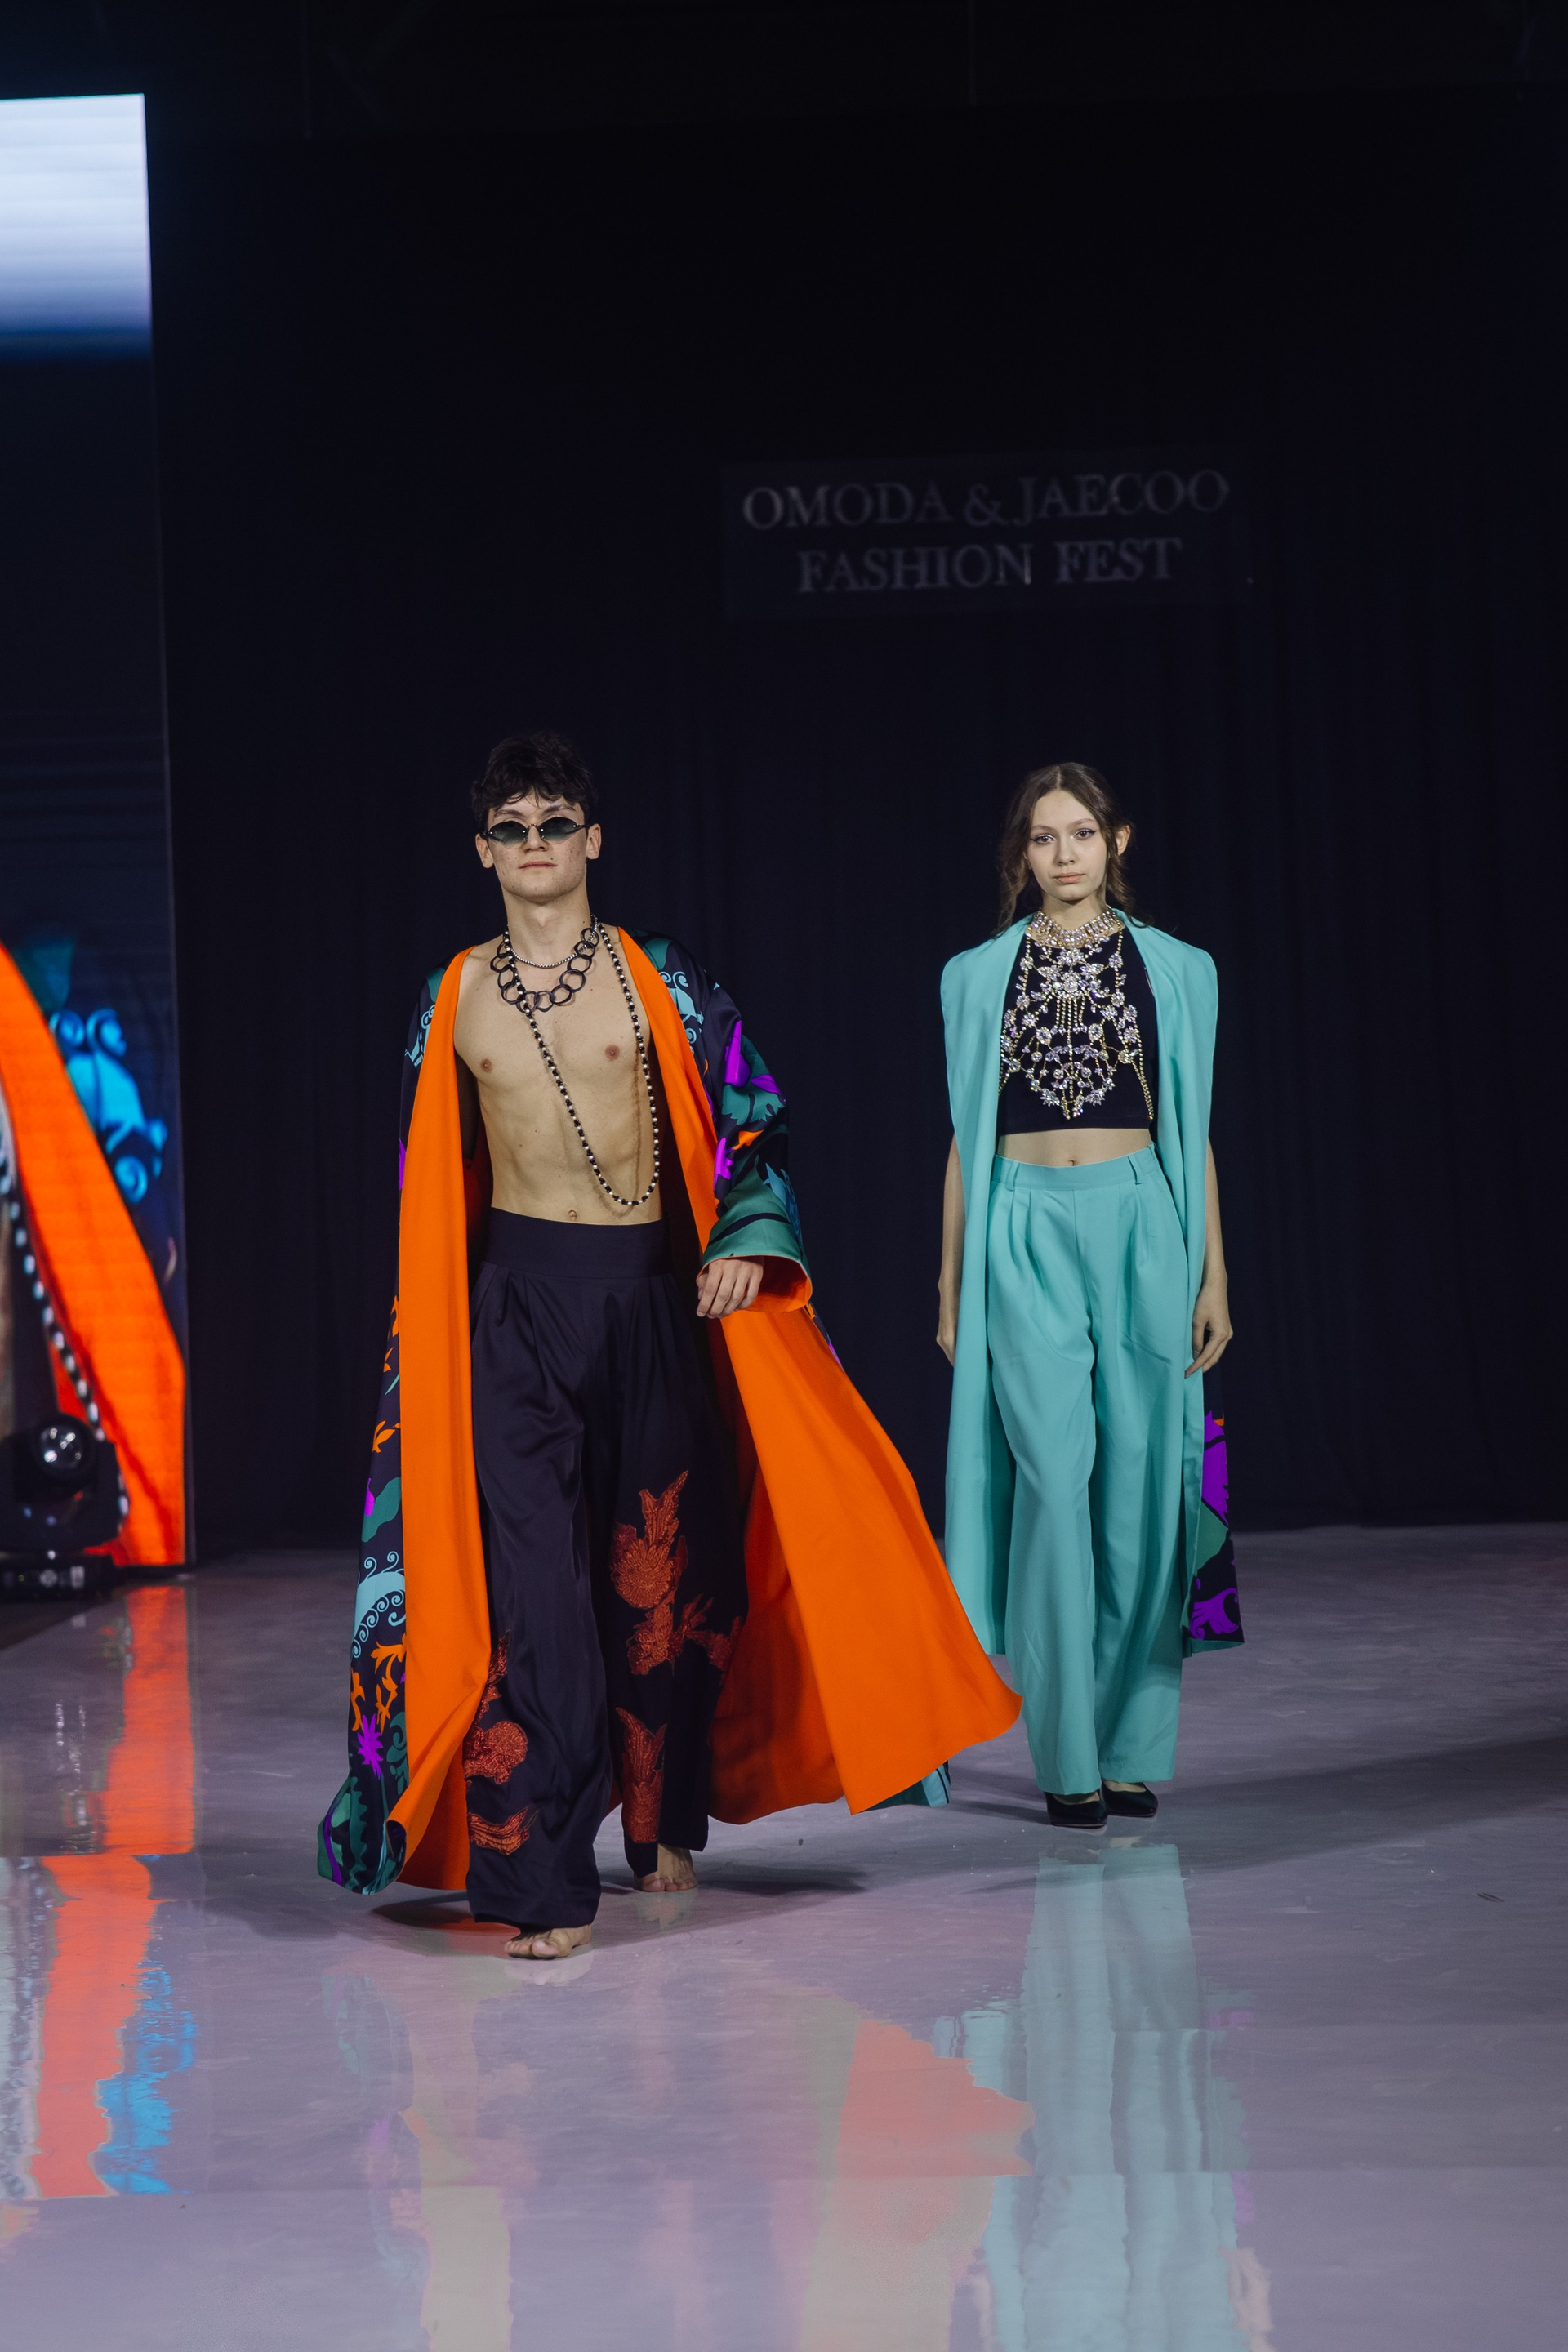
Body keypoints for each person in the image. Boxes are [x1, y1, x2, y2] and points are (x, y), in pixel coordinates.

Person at [320, 733, 1018, 1955]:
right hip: (516, 1316)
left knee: (662, 1591)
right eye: (513, 827)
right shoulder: (454, 997)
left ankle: (656, 1823)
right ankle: (542, 1882)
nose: (536, 843)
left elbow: (755, 1114)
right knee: (535, 1604)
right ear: (483, 851)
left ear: (592, 838)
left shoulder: (664, 979)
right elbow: (427, 1177)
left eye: (556, 822)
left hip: (651, 1302)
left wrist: (746, 1235)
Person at [938, 762, 1241, 1832]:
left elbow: (1193, 1128)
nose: (1062, 854)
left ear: (1119, 841)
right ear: (1020, 854)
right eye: (1042, 837)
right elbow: (964, 1138)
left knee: (1142, 1489)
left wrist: (1214, 1271)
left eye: (1080, 833)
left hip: (1143, 1220)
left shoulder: (1179, 969)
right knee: (1053, 1486)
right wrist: (950, 1281)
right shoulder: (975, 976)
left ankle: (1127, 1750)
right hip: (1021, 1227)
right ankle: (1066, 1755)